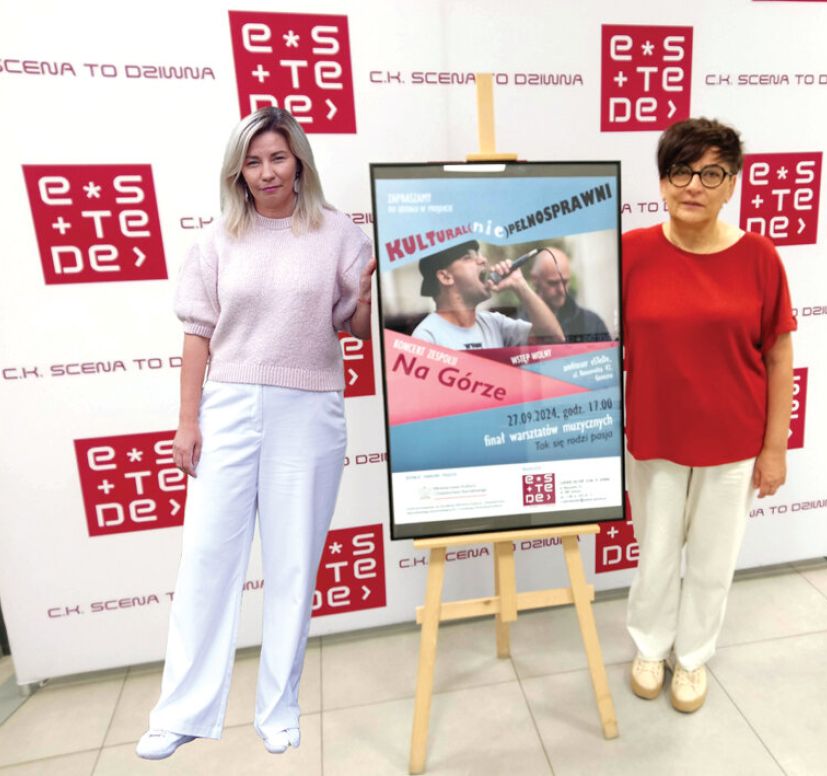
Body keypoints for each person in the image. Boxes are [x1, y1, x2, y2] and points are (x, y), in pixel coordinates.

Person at [136, 107, 375, 759]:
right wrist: (188, 421)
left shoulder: (339, 234)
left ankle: (278, 708)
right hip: (229, 406)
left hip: (310, 409)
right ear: (237, 171)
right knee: (206, 559)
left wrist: (364, 298)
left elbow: (353, 329)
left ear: (299, 162)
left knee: (294, 562)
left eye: (277, 157)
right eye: (253, 161)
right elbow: (197, 334)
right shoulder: (217, 241)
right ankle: (181, 712)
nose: (266, 171)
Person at [622, 118, 796, 713]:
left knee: (713, 561)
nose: (694, 186)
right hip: (656, 436)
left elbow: (779, 355)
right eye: (680, 172)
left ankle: (693, 657)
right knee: (656, 555)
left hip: (733, 440)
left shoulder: (759, 258)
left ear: (731, 186)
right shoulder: (631, 252)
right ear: (662, 183)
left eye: (711, 173)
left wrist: (775, 448)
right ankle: (650, 647)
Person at [411, 240, 564, 349]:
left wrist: (519, 284)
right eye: (467, 258)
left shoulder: (494, 324)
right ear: (445, 277)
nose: (483, 260)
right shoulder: (426, 338)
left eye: (479, 255)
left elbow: (555, 339)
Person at [527, 247, 611, 342]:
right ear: (535, 279)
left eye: (565, 282)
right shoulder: (519, 326)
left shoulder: (592, 323)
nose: (561, 290)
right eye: (553, 283)